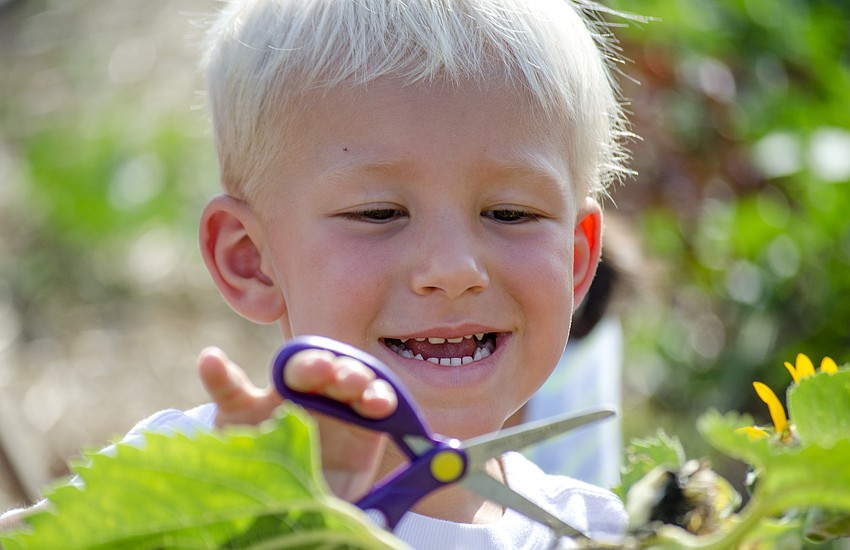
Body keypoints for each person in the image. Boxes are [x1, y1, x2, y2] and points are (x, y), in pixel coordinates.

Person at [2, 0, 634, 546]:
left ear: (577, 262)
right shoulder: (196, 479)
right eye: (379, 213)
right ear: (248, 258)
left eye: (509, 212)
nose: (453, 270)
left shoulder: (602, 534)